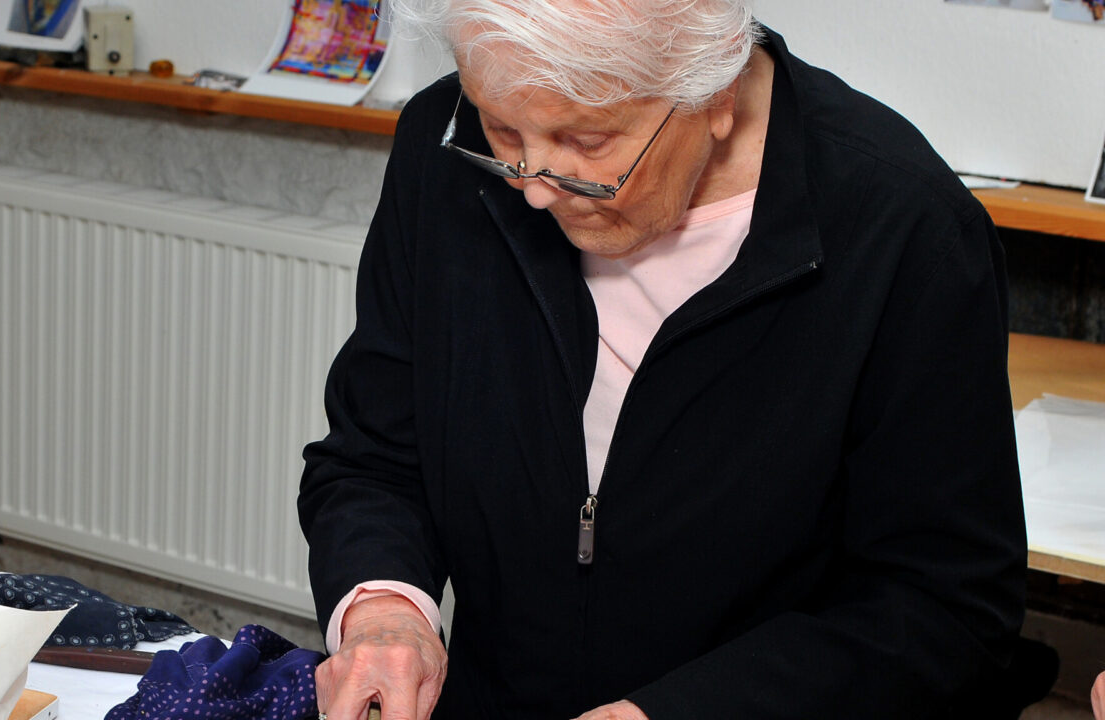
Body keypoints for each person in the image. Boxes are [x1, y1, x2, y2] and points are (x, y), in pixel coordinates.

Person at [297, 1, 1027, 719]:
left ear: (714, 96)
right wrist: (384, 611)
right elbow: (376, 458)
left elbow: (944, 611)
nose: (535, 188)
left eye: (588, 141)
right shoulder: (444, 143)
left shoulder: (907, 229)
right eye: (502, 129)